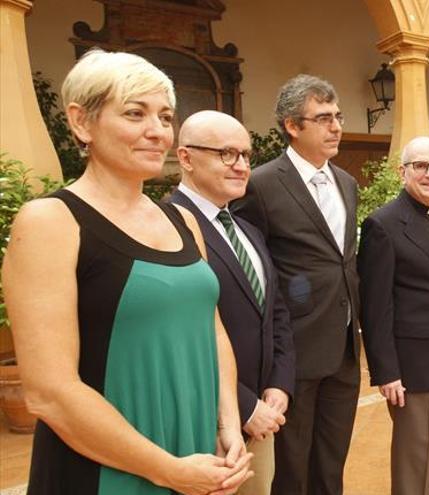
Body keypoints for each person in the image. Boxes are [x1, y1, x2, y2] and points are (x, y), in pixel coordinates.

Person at [1, 49, 252, 494]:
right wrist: (167, 470)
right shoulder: (50, 222)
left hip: (195, 456)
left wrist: (229, 426)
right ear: (82, 122)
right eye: (135, 114)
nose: (156, 131)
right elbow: (49, 391)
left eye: (166, 116)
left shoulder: (183, 220)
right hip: (107, 470)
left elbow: (212, 330)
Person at [233, 74, 360, 495]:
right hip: (295, 353)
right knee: (292, 468)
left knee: (332, 460)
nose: (337, 126)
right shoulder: (261, 185)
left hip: (343, 347)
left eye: (338, 116)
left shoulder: (347, 183)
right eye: (323, 118)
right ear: (292, 125)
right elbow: (253, 270)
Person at [170, 110, 296, 494]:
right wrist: (244, 407)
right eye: (227, 154)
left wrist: (279, 384)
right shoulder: (166, 226)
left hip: (263, 416)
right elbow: (183, 335)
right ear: (186, 158)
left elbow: (275, 312)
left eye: (245, 154)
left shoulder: (249, 230)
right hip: (202, 420)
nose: (242, 166)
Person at [358, 136, 429, 495]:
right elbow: (375, 308)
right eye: (420, 166)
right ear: (402, 171)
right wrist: (386, 372)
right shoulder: (383, 225)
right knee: (416, 457)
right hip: (413, 365)